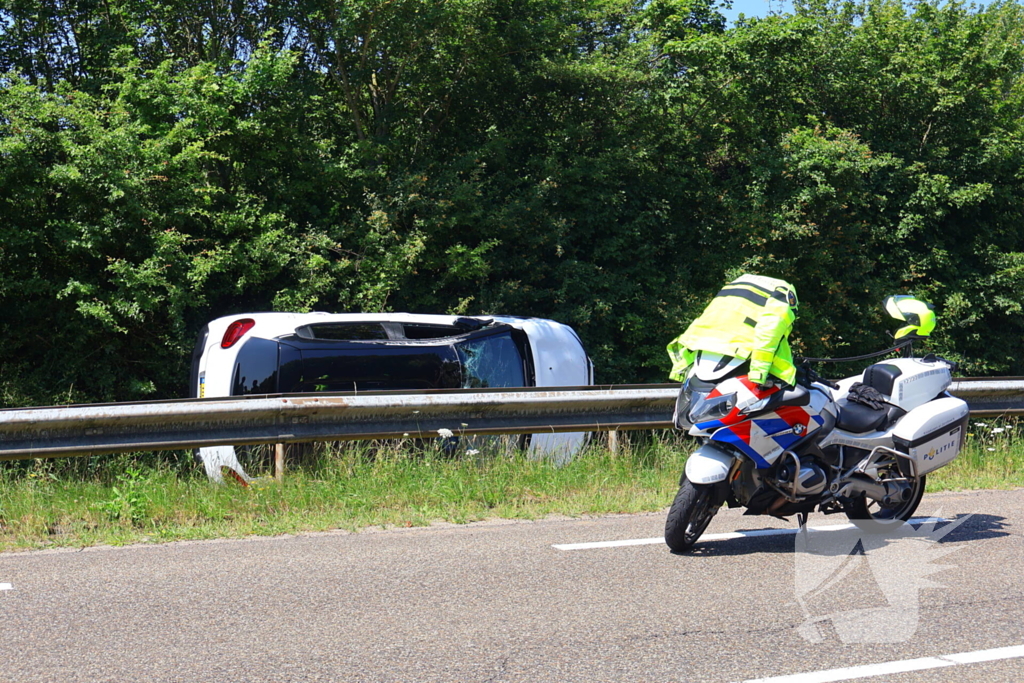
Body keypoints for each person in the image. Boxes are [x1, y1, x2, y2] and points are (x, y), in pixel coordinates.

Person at [667, 273, 799, 388]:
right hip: (738, 355)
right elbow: (770, 332)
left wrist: (680, 370)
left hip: (702, 349)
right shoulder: (784, 292)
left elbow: (707, 317)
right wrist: (758, 374)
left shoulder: (738, 283)